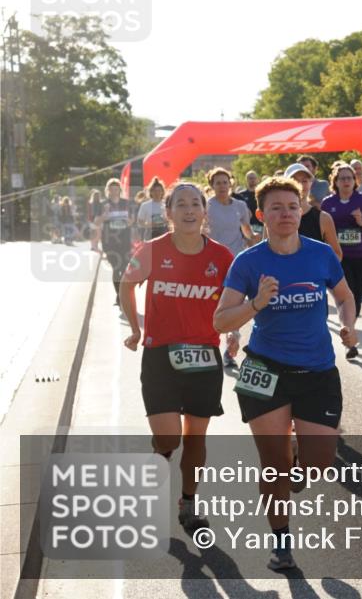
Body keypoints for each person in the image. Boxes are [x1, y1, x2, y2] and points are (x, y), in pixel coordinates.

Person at [213, 176, 357, 572]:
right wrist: (257, 303)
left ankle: (297, 455)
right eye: (275, 208)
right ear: (261, 215)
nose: (285, 215)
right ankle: (281, 542)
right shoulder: (248, 262)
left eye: (292, 207)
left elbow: (344, 296)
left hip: (317, 370)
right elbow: (220, 318)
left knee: (320, 465)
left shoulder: (321, 254)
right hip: (264, 369)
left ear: (303, 211)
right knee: (273, 465)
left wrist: (349, 324)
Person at [119, 182, 234, 532]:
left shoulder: (222, 257)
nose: (188, 210)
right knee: (169, 438)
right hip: (159, 356)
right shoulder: (152, 250)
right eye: (180, 204)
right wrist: (136, 328)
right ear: (167, 213)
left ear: (204, 211)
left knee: (196, 438)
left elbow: (234, 300)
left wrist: (235, 334)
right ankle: (159, 455)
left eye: (195, 203)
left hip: (205, 356)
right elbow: (126, 284)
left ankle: (188, 501)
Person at [205, 167, 258, 368]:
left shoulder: (240, 205)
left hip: (236, 260)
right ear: (212, 186)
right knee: (214, 304)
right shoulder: (207, 206)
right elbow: (201, 230)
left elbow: (246, 228)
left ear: (231, 184)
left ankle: (230, 348)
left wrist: (253, 241)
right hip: (213, 262)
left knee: (234, 306)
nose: (221, 186)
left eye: (224, 182)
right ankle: (209, 343)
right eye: (217, 183)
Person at [321, 162, 362, 358]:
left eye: (349, 178)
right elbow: (323, 231)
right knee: (346, 293)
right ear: (335, 181)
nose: (346, 181)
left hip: (361, 256)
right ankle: (349, 338)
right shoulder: (328, 203)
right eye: (342, 178)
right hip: (339, 258)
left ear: (355, 181)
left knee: (357, 297)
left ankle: (350, 327)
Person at [283, 163, 343, 261]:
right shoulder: (275, 216)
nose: (300, 185)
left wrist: (317, 268)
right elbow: (265, 251)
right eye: (295, 180)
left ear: (311, 184)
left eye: (304, 181)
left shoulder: (323, 218)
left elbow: (337, 255)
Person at [96, 177, 134, 306]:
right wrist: (105, 214)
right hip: (109, 241)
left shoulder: (126, 203)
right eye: (111, 189)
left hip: (124, 239)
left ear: (119, 190)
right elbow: (97, 222)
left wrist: (129, 221)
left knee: (124, 268)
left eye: (116, 189)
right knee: (116, 268)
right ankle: (119, 295)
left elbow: (132, 221)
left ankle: (121, 296)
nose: (114, 191)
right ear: (108, 190)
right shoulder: (103, 204)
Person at [137, 177, 169, 241]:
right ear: (151, 192)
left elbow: (172, 220)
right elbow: (140, 222)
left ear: (163, 192)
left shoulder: (167, 205)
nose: (157, 193)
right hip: (150, 234)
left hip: (164, 232)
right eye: (155, 191)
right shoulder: (145, 205)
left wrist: (166, 221)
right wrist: (149, 225)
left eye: (159, 191)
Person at [234, 170, 263, 236]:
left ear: (258, 179)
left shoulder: (263, 194)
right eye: (250, 178)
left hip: (261, 227)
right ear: (246, 180)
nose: (252, 180)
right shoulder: (240, 195)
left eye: (254, 178)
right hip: (246, 229)